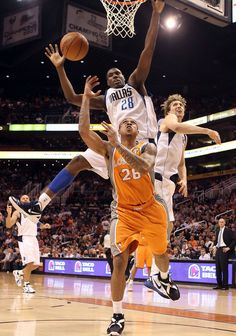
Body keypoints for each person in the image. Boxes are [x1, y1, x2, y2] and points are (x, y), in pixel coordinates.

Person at [9, 0, 165, 222]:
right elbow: (71, 98)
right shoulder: (105, 99)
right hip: (116, 144)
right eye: (111, 75)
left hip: (143, 143)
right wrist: (60, 68)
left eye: (118, 72)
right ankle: (38, 206)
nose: (115, 76)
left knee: (148, 204)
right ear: (107, 82)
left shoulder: (136, 83)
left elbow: (148, 49)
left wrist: (156, 14)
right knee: (78, 161)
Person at [78, 75, 180, 335]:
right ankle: (117, 315)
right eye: (126, 122)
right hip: (123, 213)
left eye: (134, 121)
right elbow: (83, 132)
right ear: (119, 128)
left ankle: (163, 278)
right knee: (119, 261)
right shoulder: (108, 149)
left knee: (161, 254)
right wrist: (87, 100)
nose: (131, 122)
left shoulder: (148, 146)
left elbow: (142, 166)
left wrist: (116, 145)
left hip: (150, 208)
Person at [154, 94, 221, 239]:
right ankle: (146, 256)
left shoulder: (184, 137)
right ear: (169, 110)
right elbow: (176, 126)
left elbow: (181, 163)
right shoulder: (167, 120)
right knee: (161, 222)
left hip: (167, 182)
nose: (179, 106)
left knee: (169, 223)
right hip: (155, 177)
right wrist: (207, 131)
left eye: (181, 105)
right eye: (175, 104)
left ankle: (154, 256)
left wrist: (184, 179)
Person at [6, 195, 51, 293]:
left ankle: (19, 272)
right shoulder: (17, 212)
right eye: (23, 198)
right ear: (19, 201)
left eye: (27, 198)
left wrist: (43, 226)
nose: (26, 199)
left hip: (33, 238)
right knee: (29, 262)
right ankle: (26, 285)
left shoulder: (33, 212)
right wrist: (9, 214)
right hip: (24, 237)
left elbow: (37, 223)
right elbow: (8, 225)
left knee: (36, 264)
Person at [213, 218, 236, 290]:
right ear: (218, 223)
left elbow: (234, 240)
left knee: (224, 268)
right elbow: (216, 241)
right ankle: (219, 285)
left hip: (224, 250)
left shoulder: (228, 231)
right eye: (220, 222)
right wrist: (214, 246)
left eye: (222, 222)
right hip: (218, 249)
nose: (221, 223)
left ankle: (225, 285)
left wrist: (229, 248)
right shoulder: (217, 230)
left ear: (225, 223)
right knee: (218, 268)